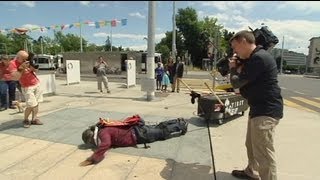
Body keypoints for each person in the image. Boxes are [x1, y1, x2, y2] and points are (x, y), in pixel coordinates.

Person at [228, 30, 283, 180]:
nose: (235, 52)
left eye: (235, 48)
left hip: (266, 111)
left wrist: (233, 67)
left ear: (243, 42)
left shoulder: (259, 58)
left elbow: (236, 82)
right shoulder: (254, 58)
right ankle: (251, 171)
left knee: (263, 152)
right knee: (251, 145)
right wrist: (239, 66)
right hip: (258, 109)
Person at [79, 118, 188, 166]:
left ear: (91, 137)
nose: (92, 145)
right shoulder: (103, 128)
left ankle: (181, 125)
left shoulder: (103, 133)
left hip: (138, 135)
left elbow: (105, 144)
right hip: (137, 130)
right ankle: (177, 121)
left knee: (162, 133)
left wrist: (92, 158)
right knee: (158, 127)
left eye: (90, 143)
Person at [15, 51, 43, 128]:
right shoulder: (15, 64)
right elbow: (16, 75)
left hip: (36, 83)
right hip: (27, 87)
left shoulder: (29, 62)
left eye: (26, 58)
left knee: (36, 103)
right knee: (31, 104)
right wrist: (22, 67)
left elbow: (35, 71)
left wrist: (33, 66)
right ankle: (25, 119)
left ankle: (34, 119)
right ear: (19, 57)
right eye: (23, 58)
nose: (25, 59)